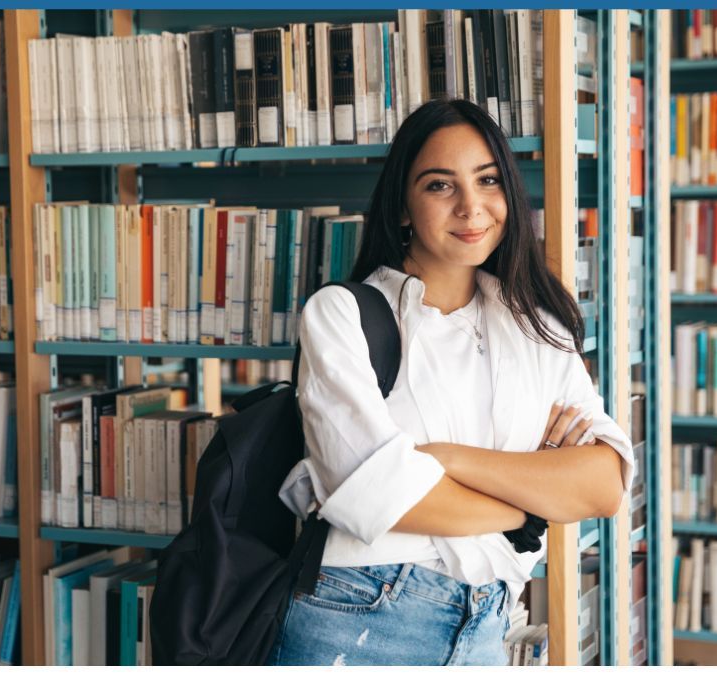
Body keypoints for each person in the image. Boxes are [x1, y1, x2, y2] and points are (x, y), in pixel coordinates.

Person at [266, 99, 635, 666]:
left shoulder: (536, 325)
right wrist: (531, 505)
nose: (472, 207)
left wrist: (447, 460)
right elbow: (381, 497)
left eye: (488, 181)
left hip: (486, 625)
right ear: (405, 207)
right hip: (358, 619)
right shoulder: (341, 314)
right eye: (441, 186)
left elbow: (603, 485)